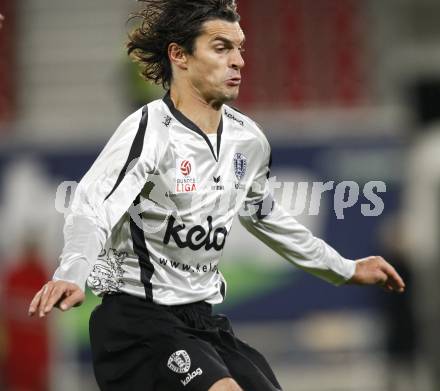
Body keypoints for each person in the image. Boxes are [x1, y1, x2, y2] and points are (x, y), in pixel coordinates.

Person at [28, 1, 405, 390]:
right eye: (221, 48)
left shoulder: (249, 140)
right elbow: (91, 206)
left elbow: (264, 216)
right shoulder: (149, 131)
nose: (238, 61)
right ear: (180, 55)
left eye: (239, 48)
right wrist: (71, 273)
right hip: (138, 323)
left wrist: (345, 268)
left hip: (202, 323)